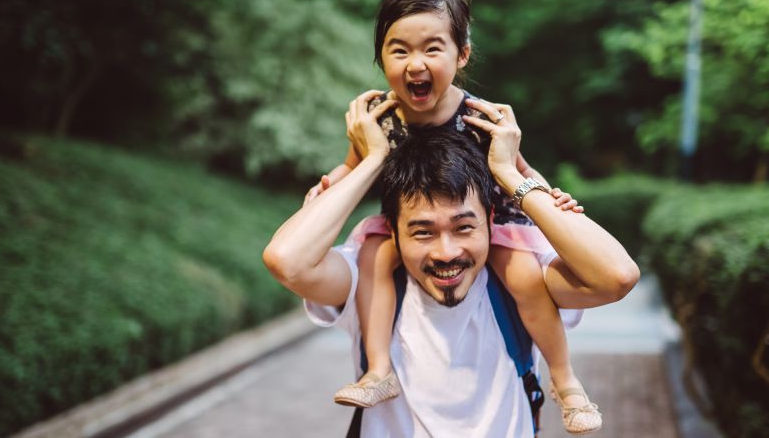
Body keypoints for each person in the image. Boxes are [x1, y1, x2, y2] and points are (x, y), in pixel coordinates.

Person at [302, 0, 620, 434]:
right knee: (375, 254)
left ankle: (566, 381)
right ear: (380, 57)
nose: (415, 64)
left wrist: (551, 198)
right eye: (399, 50)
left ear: (462, 54)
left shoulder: (482, 118)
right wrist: (327, 191)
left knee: (526, 278)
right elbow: (354, 166)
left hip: (496, 227)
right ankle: (377, 371)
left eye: (432, 48)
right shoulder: (379, 119)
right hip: (407, 228)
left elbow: (522, 170)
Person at [264, 94, 640, 436]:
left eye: (463, 227)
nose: (446, 252)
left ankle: (567, 382)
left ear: (491, 219)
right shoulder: (369, 280)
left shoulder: (520, 282)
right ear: (391, 230)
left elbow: (617, 276)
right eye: (423, 232)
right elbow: (287, 260)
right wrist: (371, 160)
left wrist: (513, 178)